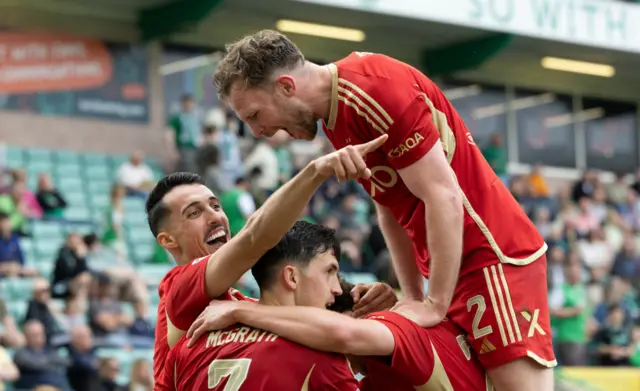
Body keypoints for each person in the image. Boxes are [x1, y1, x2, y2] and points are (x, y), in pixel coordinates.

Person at [213, 30, 555, 390]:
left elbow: (444, 196)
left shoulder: (373, 88)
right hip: (453, 268)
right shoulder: (336, 116)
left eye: (254, 115)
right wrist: (413, 296)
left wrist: (433, 303)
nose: (257, 131)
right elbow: (389, 208)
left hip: (490, 258)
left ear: (285, 86)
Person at [149, 136, 394, 389]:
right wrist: (315, 171)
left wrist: (369, 299)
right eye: (194, 213)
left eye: (215, 205)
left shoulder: (236, 312)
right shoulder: (180, 288)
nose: (214, 217)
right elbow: (255, 237)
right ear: (167, 240)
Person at [186, 261, 488, 390]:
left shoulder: (400, 333)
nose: (317, 341)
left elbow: (341, 334)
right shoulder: (373, 370)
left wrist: (241, 310)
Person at [160, 222, 361, 391]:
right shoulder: (322, 358)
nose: (336, 288)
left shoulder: (187, 348)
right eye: (329, 272)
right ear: (291, 277)